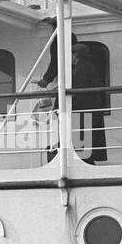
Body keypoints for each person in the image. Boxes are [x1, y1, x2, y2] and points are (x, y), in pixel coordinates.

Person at [38, 32, 107, 164]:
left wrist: (63, 109)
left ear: (76, 55)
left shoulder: (82, 69)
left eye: (71, 54)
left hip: (82, 114)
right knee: (83, 148)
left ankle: (83, 165)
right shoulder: (85, 67)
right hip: (86, 113)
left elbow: (77, 91)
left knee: (81, 148)